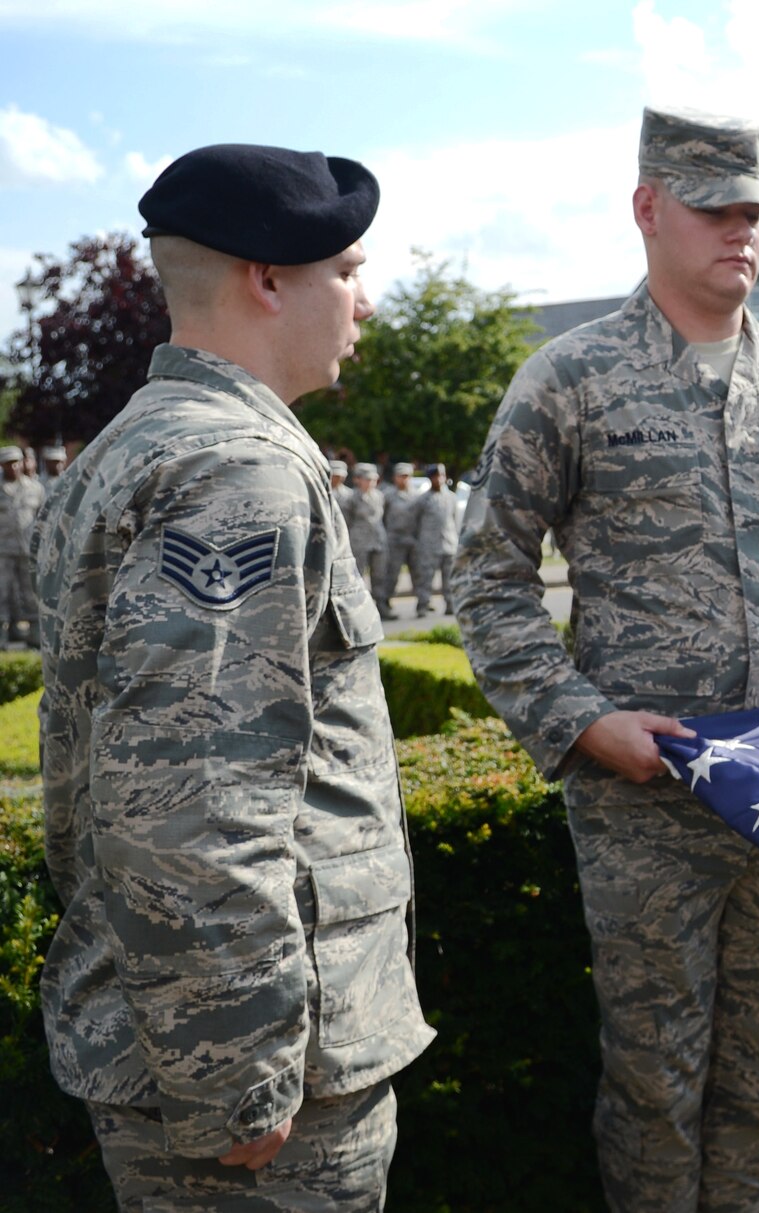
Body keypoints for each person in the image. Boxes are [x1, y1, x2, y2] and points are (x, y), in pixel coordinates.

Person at [452, 106, 759, 1213]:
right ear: (648, 209)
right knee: (655, 1083)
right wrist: (581, 719)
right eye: (712, 210)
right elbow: (487, 580)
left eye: (751, 213)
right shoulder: (569, 379)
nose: (738, 232)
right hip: (647, 807)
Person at [34, 142, 433, 1212]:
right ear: (267, 278)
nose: (365, 300)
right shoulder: (233, 467)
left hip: (174, 1032)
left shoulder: (133, 446)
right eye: (347, 271)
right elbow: (190, 804)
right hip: (260, 1082)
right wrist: (240, 1076)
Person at [0, 444, 45, 646]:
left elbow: (43, 519)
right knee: (3, 590)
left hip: (27, 549)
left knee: (31, 591)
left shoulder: (35, 488)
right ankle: (4, 630)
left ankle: (34, 630)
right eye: (9, 464)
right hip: (3, 550)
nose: (14, 467)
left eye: (17, 462)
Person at [412, 462, 457, 615]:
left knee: (450, 578)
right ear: (430, 478)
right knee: (426, 578)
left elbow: (455, 519)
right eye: (435, 476)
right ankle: (423, 605)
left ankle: (451, 604)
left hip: (449, 543)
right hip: (429, 545)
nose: (439, 479)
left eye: (441, 476)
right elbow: (415, 521)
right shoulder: (423, 499)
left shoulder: (451, 497)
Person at [379, 460, 420, 617]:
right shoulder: (388, 495)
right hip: (394, 539)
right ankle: (385, 602)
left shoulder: (416, 496)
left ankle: (422, 602)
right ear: (395, 477)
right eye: (401, 476)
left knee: (418, 572)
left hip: (412, 538)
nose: (404, 479)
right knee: (392, 573)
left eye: (407, 476)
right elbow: (381, 517)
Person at [345, 461, 388, 608]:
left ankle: (381, 604)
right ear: (358, 479)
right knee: (358, 575)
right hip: (359, 541)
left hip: (378, 540)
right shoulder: (351, 498)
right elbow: (346, 522)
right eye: (367, 479)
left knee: (379, 575)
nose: (371, 483)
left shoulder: (380, 496)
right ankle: (358, 606)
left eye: (374, 480)